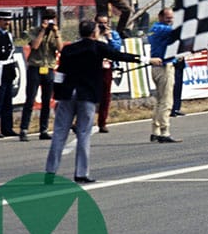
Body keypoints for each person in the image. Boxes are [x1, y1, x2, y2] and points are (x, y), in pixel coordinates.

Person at [46, 20, 140, 183]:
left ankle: (50, 173)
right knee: (83, 133)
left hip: (68, 94)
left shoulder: (69, 49)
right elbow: (119, 55)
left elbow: (60, 73)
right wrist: (145, 59)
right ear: (94, 33)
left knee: (59, 133)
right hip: (86, 95)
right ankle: (81, 173)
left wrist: (58, 94)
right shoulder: (97, 47)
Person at [20, 8, 61, 141]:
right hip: (35, 67)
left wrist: (56, 33)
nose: (49, 22)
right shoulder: (34, 31)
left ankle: (43, 129)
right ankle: (24, 129)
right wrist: (43, 31)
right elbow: (35, 46)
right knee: (30, 99)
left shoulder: (55, 32)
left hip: (48, 67)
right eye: (47, 19)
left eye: (52, 19)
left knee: (46, 99)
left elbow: (60, 49)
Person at [148, 7, 182, 142]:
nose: (171, 20)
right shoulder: (162, 29)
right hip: (163, 67)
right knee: (167, 101)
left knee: (159, 100)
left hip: (158, 66)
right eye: (168, 18)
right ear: (160, 17)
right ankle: (164, 131)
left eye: (172, 18)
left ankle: (155, 130)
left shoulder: (155, 28)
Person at [0, 10, 20, 138]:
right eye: (4, 20)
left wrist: (14, 72)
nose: (7, 23)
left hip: (8, 71)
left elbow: (11, 56)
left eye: (8, 20)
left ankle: (7, 128)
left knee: (8, 102)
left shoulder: (9, 35)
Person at [94, 14, 123, 132]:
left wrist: (109, 37)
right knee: (88, 95)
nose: (103, 26)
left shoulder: (113, 34)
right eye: (100, 23)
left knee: (105, 96)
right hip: (93, 67)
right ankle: (80, 121)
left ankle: (102, 122)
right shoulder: (92, 33)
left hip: (107, 66)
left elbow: (116, 49)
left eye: (105, 23)